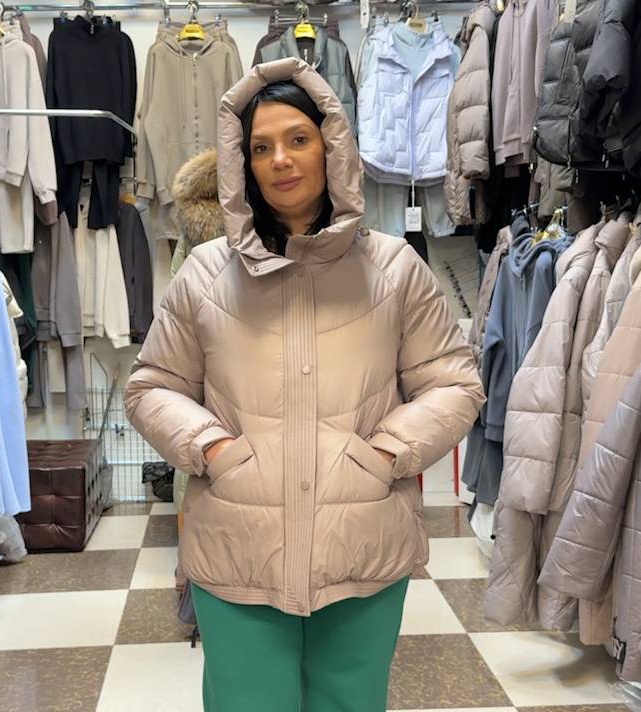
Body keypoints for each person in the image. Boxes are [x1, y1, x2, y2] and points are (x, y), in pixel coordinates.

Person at [124, 58, 484, 712]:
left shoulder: (394, 269)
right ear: (241, 163)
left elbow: (454, 384)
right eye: (261, 148)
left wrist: (384, 455)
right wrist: (213, 449)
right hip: (238, 549)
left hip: (361, 544)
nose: (281, 160)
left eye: (298, 139)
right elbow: (152, 387)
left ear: (332, 147)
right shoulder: (204, 273)